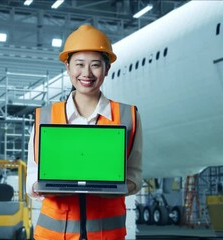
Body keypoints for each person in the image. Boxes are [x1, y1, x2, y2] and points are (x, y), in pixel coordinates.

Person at [26, 24, 143, 240]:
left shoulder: (129, 116)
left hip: (106, 235)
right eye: (79, 64)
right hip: (53, 235)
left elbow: (135, 175)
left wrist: (113, 187)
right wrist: (43, 187)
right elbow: (32, 177)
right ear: (67, 66)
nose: (86, 73)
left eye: (95, 65)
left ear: (107, 69)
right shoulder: (44, 116)